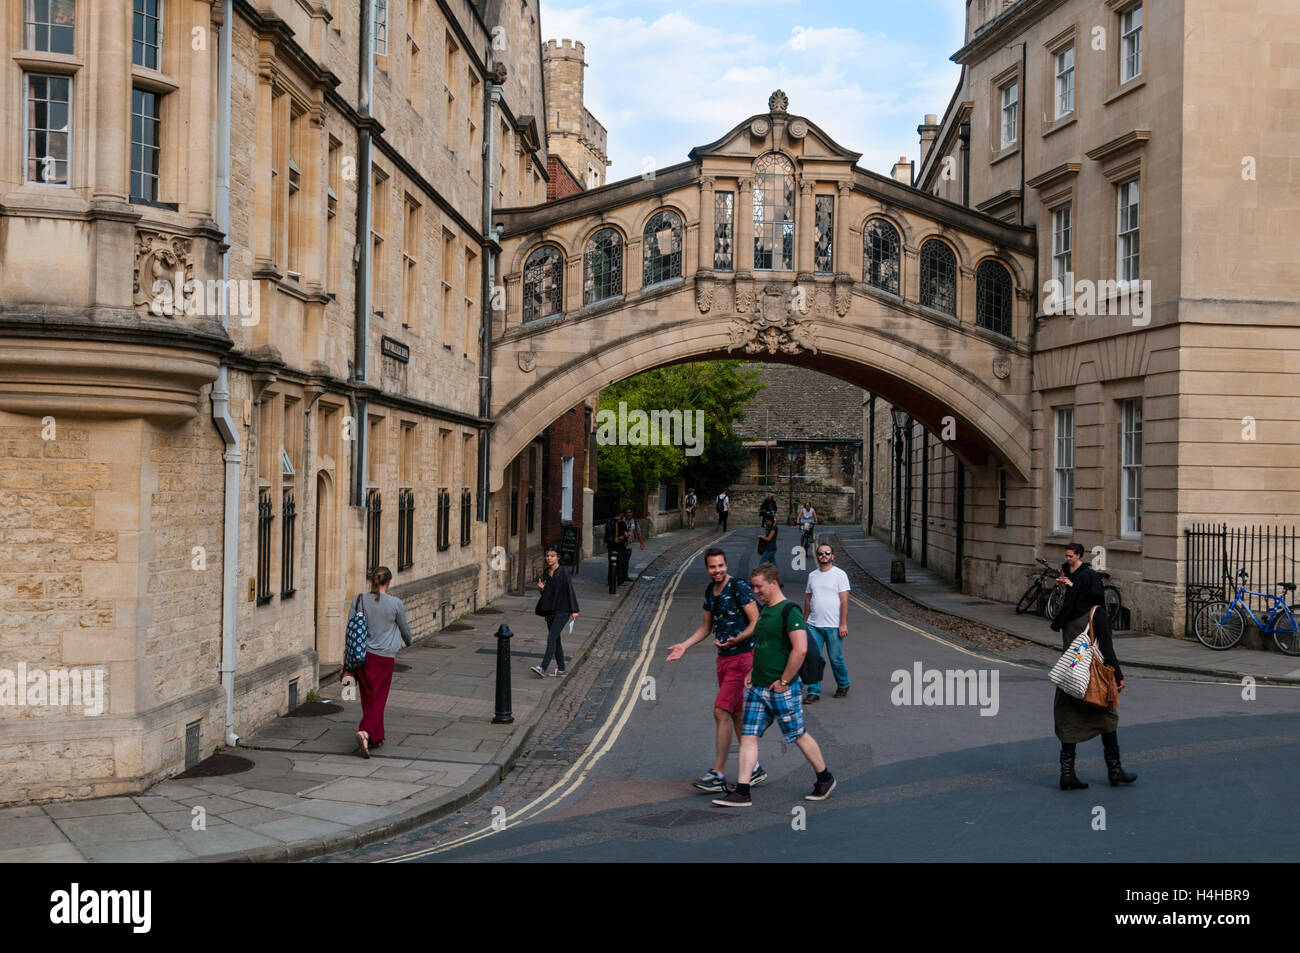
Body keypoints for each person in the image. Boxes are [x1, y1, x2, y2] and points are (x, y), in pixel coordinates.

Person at [713, 562, 836, 807]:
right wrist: (751, 671)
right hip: (758, 687)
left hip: (782, 689)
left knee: (798, 735)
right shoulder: (765, 610)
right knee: (748, 736)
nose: (755, 591)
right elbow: (762, 644)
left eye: (759, 587)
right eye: (753, 587)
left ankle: (825, 778)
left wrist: (784, 681)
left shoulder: (790, 611)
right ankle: (743, 791)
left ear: (772, 583)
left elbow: (800, 650)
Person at [666, 547, 768, 793]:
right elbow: (705, 627)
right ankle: (753, 769)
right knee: (734, 715)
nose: (717, 570)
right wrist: (684, 645)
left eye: (721, 565)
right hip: (723, 660)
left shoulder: (739, 587)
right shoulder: (710, 592)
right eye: (713, 567)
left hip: (743, 659)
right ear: (707, 569)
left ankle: (718, 773)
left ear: (725, 565)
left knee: (720, 711)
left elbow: (757, 621)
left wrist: (737, 639)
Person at [1052, 542, 1137, 789]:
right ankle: (1115, 770)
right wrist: (1118, 676)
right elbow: (1107, 650)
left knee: (1068, 722)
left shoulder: (1068, 615)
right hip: (1093, 681)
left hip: (1071, 679)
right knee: (1108, 719)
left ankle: (1067, 774)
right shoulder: (1096, 612)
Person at [351, 566, 412, 757]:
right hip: (384, 658)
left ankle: (376, 737)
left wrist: (348, 654)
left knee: (368, 698)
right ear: (389, 582)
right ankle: (365, 731)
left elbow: (351, 628)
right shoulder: (395, 604)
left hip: (363, 656)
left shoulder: (359, 599)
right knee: (379, 699)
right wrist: (409, 641)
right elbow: (404, 628)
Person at [802, 542, 851, 703]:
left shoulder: (840, 575)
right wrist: (804, 622)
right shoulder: (812, 576)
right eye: (821, 553)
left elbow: (844, 601)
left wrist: (843, 624)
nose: (824, 555)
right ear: (817, 556)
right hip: (813, 625)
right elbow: (808, 599)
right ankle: (814, 691)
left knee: (835, 658)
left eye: (827, 553)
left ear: (832, 556)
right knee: (813, 658)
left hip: (833, 626)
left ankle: (843, 684)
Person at [532, 544, 579, 678]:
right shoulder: (546, 572)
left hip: (563, 611)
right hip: (550, 611)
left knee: (551, 637)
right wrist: (541, 589)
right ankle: (561, 668)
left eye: (552, 556)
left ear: (557, 557)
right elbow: (548, 595)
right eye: (547, 556)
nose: (549, 558)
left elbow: (570, 590)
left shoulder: (563, 572)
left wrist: (574, 610)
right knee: (556, 639)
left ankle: (543, 667)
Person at [1050, 543, 1103, 632]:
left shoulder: (1085, 572)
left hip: (1080, 607)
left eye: (1070, 556)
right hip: (1069, 602)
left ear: (1078, 555)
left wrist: (1071, 584)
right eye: (1066, 556)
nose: (1068, 558)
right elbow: (1064, 586)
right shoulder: (1066, 567)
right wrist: (1062, 583)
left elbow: (1086, 592)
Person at [619, 506, 644, 584]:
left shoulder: (635, 522)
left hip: (629, 544)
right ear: (624, 514)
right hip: (621, 544)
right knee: (620, 561)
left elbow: (638, 532)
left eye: (630, 512)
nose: (628, 514)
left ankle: (625, 576)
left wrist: (641, 543)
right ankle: (619, 576)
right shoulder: (621, 521)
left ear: (632, 513)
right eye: (627, 513)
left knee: (626, 561)